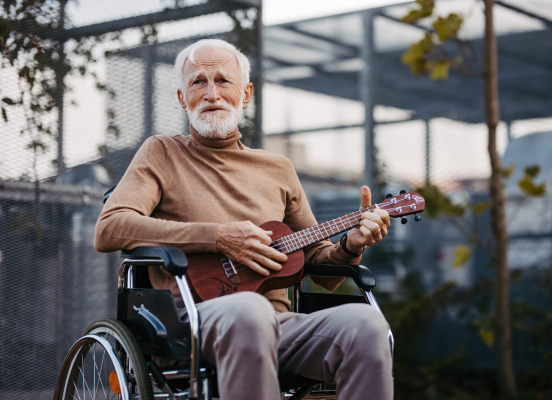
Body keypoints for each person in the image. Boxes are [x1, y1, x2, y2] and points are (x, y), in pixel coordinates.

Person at [94, 39, 393, 400]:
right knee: (250, 312)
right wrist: (218, 237)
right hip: (190, 324)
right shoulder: (162, 153)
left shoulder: (278, 169)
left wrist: (350, 246)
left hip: (280, 327)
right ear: (181, 98)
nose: (211, 93)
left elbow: (319, 266)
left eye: (223, 81)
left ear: (246, 93)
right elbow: (110, 228)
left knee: (366, 324)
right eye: (198, 82)